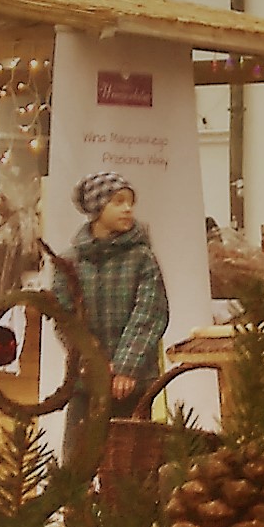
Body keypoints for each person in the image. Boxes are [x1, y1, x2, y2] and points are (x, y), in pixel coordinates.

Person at [71, 168, 170, 408]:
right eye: (118, 202)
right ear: (96, 208)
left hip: (133, 383)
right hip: (86, 382)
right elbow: (65, 318)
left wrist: (126, 367)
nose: (128, 209)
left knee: (129, 432)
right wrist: (92, 361)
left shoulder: (142, 258)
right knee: (82, 433)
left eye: (130, 203)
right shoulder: (71, 261)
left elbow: (149, 313)